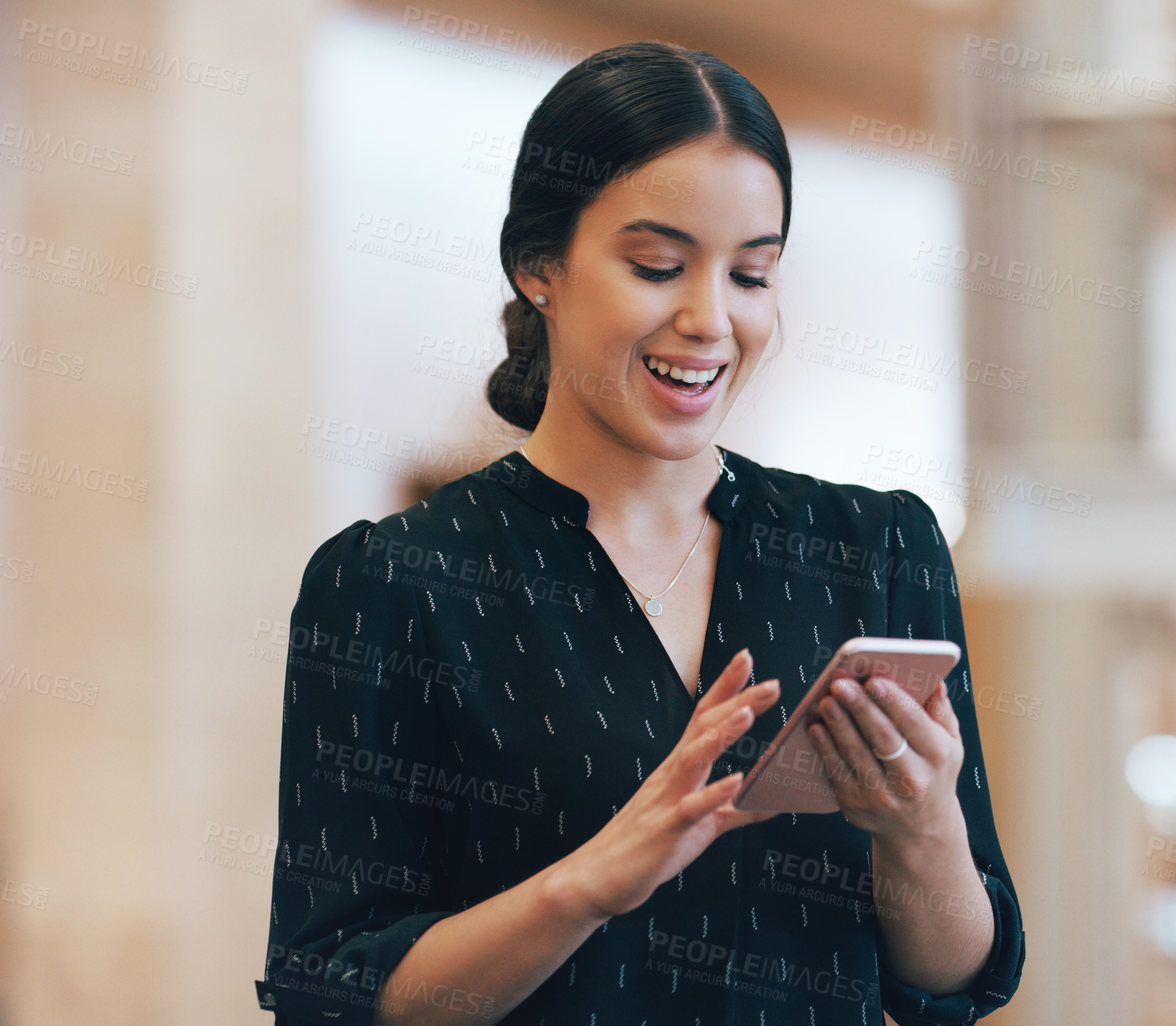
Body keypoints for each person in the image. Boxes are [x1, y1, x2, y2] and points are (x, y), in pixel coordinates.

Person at [254, 40, 1026, 1026]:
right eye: (659, 266)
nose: (710, 320)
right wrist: (584, 887)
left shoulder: (875, 549)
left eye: (752, 276)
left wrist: (920, 830)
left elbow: (963, 977)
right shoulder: (396, 584)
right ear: (541, 266)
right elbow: (334, 993)